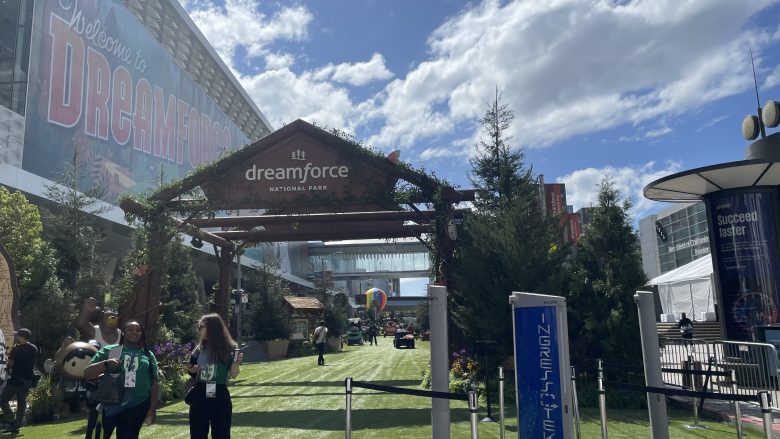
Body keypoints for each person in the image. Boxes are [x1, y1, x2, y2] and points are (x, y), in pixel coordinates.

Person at [84, 320, 159, 439]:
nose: (134, 332)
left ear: (141, 334)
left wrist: (153, 408)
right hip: (109, 404)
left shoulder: (147, 354)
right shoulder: (112, 350)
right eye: (130, 330)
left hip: (136, 405)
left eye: (138, 330)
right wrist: (106, 363)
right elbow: (87, 373)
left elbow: (155, 382)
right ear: (123, 332)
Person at [187, 314, 242, 439]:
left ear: (212, 328)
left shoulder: (230, 348)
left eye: (201, 327)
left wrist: (235, 362)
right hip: (200, 392)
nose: (198, 330)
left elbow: (233, 375)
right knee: (197, 434)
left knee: (221, 434)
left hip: (220, 393)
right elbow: (191, 369)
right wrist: (192, 370)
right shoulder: (199, 348)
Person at [0, 328, 38, 434]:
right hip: (27, 380)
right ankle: (16, 425)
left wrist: (8, 359)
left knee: (2, 400)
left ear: (21, 337)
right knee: (21, 403)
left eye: (17, 336)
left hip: (16, 380)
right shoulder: (34, 348)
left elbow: (10, 364)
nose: (16, 337)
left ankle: (12, 421)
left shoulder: (16, 349)